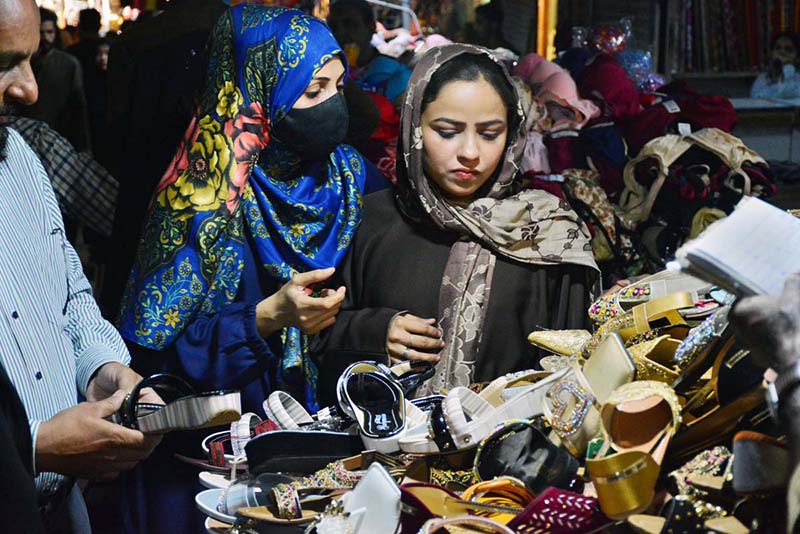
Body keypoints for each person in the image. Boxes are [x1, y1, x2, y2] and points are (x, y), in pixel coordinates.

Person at [116, 6, 387, 532]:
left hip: (328, 447)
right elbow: (151, 362)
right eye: (311, 93)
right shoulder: (198, 202)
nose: (331, 107)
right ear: (260, 93)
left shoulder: (352, 178)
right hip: (214, 462)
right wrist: (264, 319)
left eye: (337, 86)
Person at [313, 44, 598, 402]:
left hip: (512, 447)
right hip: (381, 452)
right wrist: (374, 332)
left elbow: (574, 368)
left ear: (512, 135)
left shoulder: (548, 232)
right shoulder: (368, 222)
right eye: (447, 131)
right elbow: (315, 341)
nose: (470, 153)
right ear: (414, 128)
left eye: (490, 133)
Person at [0, 0, 161, 531]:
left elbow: (68, 297)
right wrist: (34, 449)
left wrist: (101, 370)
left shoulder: (19, 159)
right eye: (1, 65)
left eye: (30, 60)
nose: (29, 90)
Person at [99, 0, 226, 318]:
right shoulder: (245, 32)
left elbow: (115, 134)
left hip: (145, 185)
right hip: (223, 185)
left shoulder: (136, 40)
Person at [21, 7, 91, 152]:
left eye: (49, 32)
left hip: (58, 138)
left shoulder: (68, 63)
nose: (45, 37)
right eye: (40, 33)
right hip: (25, 137)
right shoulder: (21, 63)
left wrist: (84, 149)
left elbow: (78, 109)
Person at [751, 32, 800, 99]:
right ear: (771, 53)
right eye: (778, 48)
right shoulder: (764, 78)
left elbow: (788, 92)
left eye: (788, 49)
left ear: (797, 58)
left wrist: (787, 66)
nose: (782, 52)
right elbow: (756, 97)